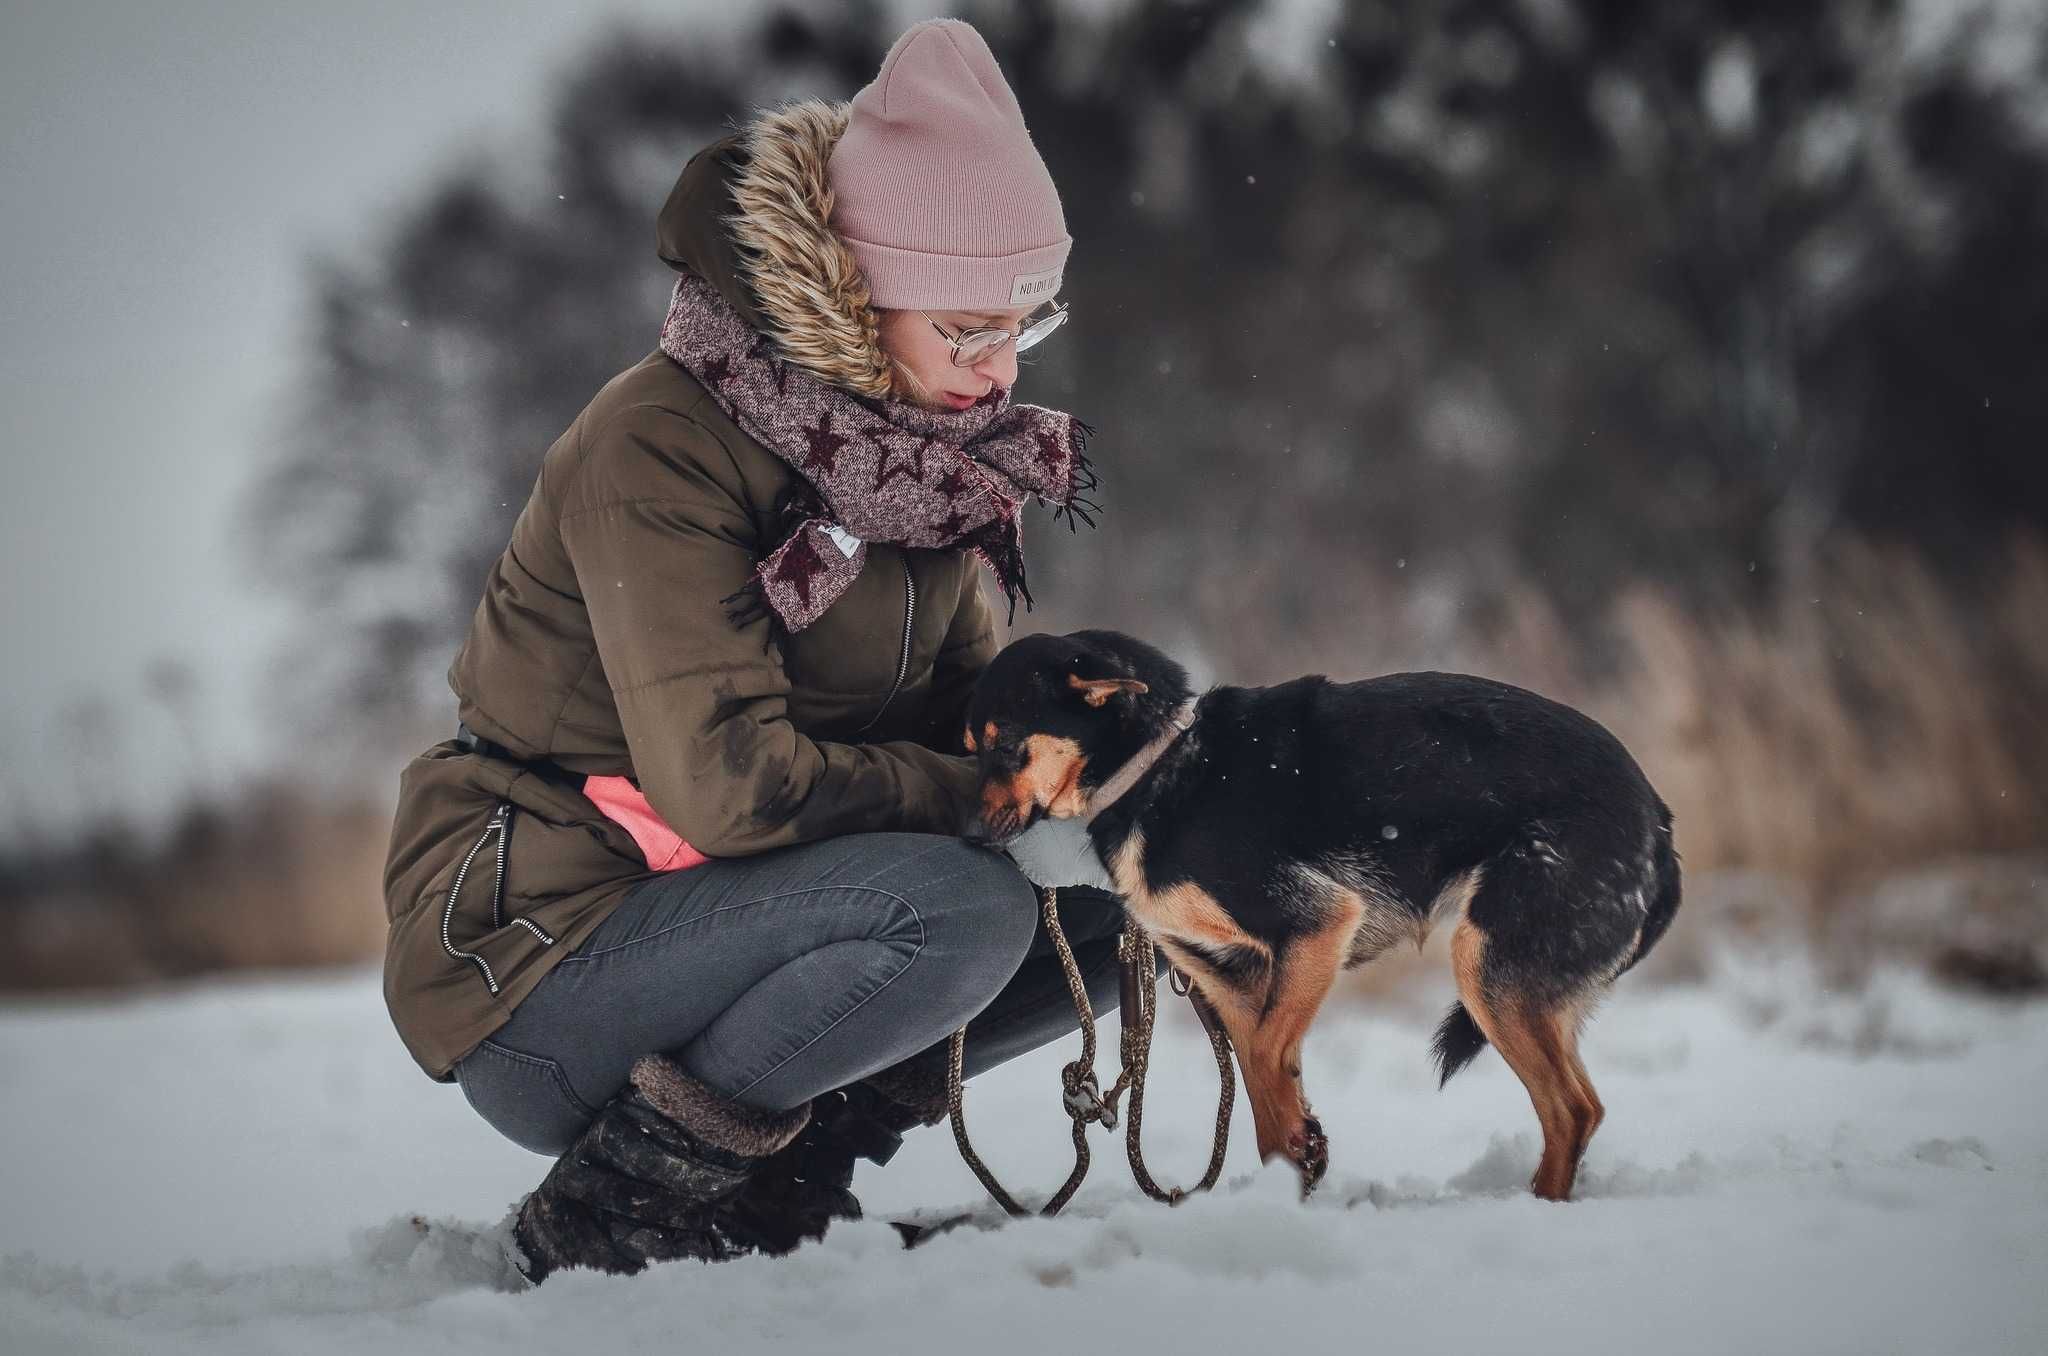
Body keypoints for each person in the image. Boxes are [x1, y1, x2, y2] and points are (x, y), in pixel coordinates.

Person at [380, 18, 1126, 1285]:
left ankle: (777, 1193)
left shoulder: (924, 461)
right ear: (857, 293)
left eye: (1022, 328)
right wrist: (991, 795)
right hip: (543, 946)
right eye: (961, 330)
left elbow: (951, 712)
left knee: (1135, 886)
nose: (995, 373)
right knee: (956, 906)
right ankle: (625, 1207)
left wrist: (1095, 757)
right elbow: (731, 783)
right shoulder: (658, 443)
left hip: (745, 915)